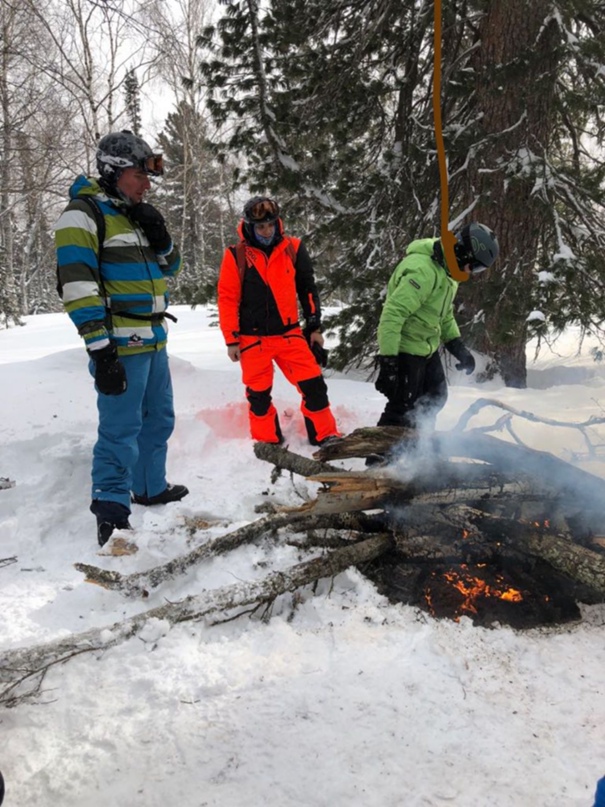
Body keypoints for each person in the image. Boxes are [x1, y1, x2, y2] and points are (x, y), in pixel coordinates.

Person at [55, 130, 189, 546]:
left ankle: (149, 487)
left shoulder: (135, 214)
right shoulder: (83, 214)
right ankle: (111, 509)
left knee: (160, 418)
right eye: (140, 174)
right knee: (120, 427)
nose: (147, 184)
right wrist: (100, 348)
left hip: (154, 337)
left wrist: (161, 234)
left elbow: (171, 268)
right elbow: (77, 284)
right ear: (114, 171)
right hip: (119, 341)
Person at [217, 196, 341, 446]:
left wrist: (314, 327)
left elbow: (307, 289)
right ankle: (267, 442)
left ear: (278, 223)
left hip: (289, 335)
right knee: (259, 396)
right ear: (249, 226)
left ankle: (325, 436)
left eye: (271, 225)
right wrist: (231, 340)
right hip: (252, 339)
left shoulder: (293, 248)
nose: (266, 231)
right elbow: (227, 299)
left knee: (314, 385)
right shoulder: (236, 255)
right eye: (260, 226)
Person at [373, 221, 499, 437]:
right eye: (475, 266)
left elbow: (443, 313)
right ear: (464, 253)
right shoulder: (423, 271)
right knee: (402, 406)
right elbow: (392, 315)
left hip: (426, 347)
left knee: (435, 397)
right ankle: (377, 461)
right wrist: (389, 362)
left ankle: (420, 449)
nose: (472, 273)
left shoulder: (448, 271)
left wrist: (457, 346)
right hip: (405, 348)